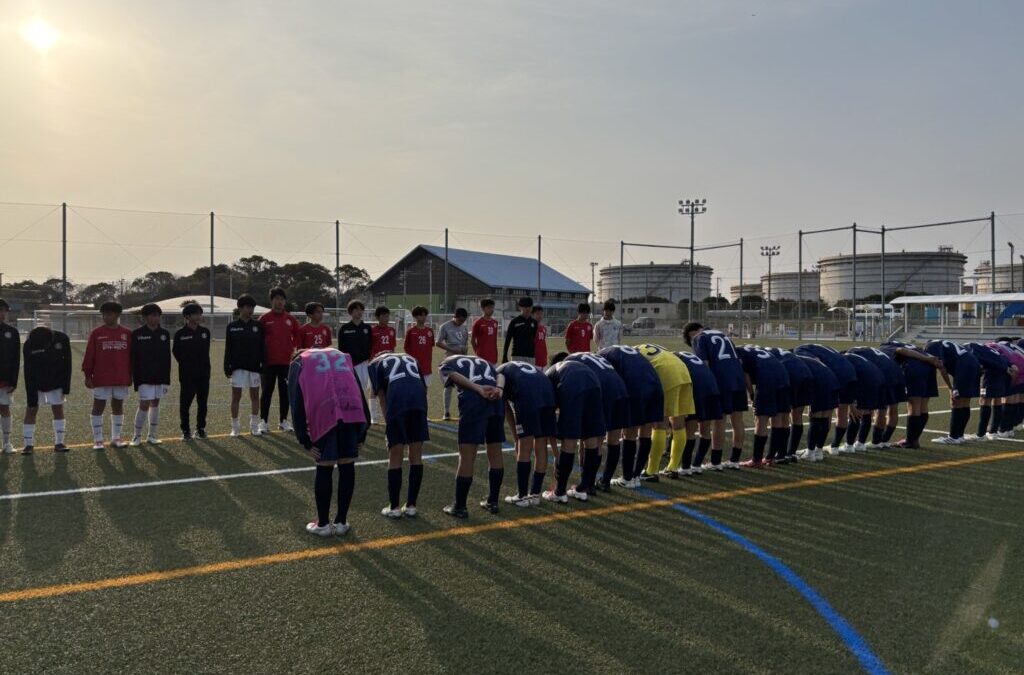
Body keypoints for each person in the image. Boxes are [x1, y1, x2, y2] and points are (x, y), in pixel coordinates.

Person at [288, 347, 368, 537]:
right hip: (351, 408)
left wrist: (305, 440)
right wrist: (362, 432)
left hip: (324, 412)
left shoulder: (299, 362)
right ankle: (341, 522)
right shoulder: (340, 354)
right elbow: (359, 390)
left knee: (324, 464)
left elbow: (296, 402)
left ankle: (323, 524)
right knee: (347, 463)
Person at [438, 354, 506, 518]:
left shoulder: (447, 362)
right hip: (496, 400)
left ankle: (460, 506)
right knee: (496, 452)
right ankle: (493, 501)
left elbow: (451, 374)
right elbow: (500, 375)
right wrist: (499, 389)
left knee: (467, 456)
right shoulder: (483, 361)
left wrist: (477, 388)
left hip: (474, 401)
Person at [554, 350, 629, 495]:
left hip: (602, 389)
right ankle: (604, 481)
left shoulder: (568, 365)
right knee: (613, 438)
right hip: (620, 387)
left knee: (592, 438)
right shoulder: (585, 356)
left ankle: (587, 484)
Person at [367, 351, 429, 518]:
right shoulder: (411, 358)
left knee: (395, 455)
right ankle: (411, 506)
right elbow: (423, 388)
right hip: (418, 402)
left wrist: (389, 423)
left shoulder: (375, 364)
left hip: (398, 401)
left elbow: (381, 395)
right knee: (416, 455)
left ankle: (394, 507)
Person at [598, 345, 663, 488]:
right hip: (655, 383)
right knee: (646, 431)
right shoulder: (618, 351)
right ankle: (636, 476)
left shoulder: (601, 357)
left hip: (636, 387)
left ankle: (626, 478)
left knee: (629, 433)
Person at [685, 324, 747, 469]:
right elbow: (737, 360)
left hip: (721, 379)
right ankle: (734, 460)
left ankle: (715, 461)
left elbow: (704, 365)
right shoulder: (724, 336)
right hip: (738, 377)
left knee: (719, 420)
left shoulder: (699, 338)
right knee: (738, 420)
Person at [543, 359, 605, 502]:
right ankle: (583, 488)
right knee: (591, 438)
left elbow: (549, 418)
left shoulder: (548, 377)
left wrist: (557, 456)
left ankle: (559, 492)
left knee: (569, 439)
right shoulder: (566, 367)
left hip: (573, 385)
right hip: (594, 382)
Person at [496, 360, 556, 506]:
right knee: (541, 443)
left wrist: (517, 438)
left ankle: (522, 496)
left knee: (525, 446)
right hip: (547, 391)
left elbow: (505, 408)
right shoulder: (511, 367)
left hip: (528, 394)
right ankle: (535, 494)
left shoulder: (497, 375)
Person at [635, 343, 695, 477]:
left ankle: (652, 470)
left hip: (666, 374)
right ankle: (673, 467)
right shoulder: (650, 347)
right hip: (683, 371)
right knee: (679, 422)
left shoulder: (633, 354)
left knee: (659, 423)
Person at [83, 301, 133, 449]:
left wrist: (131, 375)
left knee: (118, 405)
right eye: (104, 314)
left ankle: (116, 438)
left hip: (121, 376)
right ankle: (98, 440)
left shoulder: (127, 333)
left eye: (109, 314)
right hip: (101, 377)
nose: (105, 317)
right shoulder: (96, 333)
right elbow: (89, 355)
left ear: (117, 315)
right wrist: (87, 375)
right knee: (98, 406)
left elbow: (132, 357)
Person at [794, 343, 858, 455]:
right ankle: (828, 448)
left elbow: (816, 363)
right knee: (838, 413)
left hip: (832, 375)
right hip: (850, 372)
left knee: (819, 413)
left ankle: (811, 451)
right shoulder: (820, 347)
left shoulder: (799, 351)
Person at [878, 340, 945, 449]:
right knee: (923, 406)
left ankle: (910, 441)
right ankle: (914, 440)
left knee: (913, 404)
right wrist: (929, 360)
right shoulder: (911, 345)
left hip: (915, 366)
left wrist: (925, 359)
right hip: (929, 367)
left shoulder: (885, 346)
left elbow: (900, 350)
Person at [736, 345, 792, 467]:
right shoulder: (754, 350)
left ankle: (756, 460)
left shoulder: (737, 353)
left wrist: (751, 394)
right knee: (778, 417)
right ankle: (772, 457)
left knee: (761, 419)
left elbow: (745, 375)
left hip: (767, 380)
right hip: (783, 376)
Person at [20, 326, 71, 454]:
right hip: (36, 383)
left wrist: (66, 388)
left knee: (58, 409)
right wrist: (30, 394)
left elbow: (68, 364)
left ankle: (59, 443)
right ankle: (28, 445)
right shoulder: (29, 344)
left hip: (56, 381)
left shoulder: (62, 339)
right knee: (31, 410)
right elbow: (28, 370)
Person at [674, 350, 722, 475]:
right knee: (705, 429)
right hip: (712, 387)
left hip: (697, 389)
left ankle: (685, 467)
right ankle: (697, 465)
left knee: (690, 430)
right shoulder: (688, 356)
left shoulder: (674, 359)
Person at [259, 287, 300, 433]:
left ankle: (283, 421)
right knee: (266, 392)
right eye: (277, 299)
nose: (280, 302)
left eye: (282, 299)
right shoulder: (264, 319)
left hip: (286, 363)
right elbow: (258, 340)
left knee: (285, 393)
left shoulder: (291, 319)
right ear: (271, 301)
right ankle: (263, 422)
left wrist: (294, 352)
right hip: (268, 363)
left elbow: (297, 337)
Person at [130, 303, 172, 446]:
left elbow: (167, 358)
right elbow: (133, 357)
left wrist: (166, 380)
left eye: (158, 315)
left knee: (155, 403)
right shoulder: (137, 334)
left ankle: (152, 435)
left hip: (160, 376)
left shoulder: (164, 334)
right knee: (144, 404)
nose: (156, 318)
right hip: (143, 376)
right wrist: (135, 378)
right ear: (145, 317)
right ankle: (136, 436)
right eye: (153, 315)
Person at [849, 346, 906, 448]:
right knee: (892, 408)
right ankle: (883, 441)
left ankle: (872, 442)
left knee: (876, 409)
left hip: (883, 375)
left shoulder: (851, 355)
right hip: (897, 372)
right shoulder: (865, 349)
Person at [224, 295, 265, 437]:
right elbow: (228, 348)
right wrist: (227, 366)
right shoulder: (232, 326)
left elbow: (262, 347)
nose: (251, 310)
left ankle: (254, 426)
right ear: (240, 308)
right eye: (248, 307)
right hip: (237, 367)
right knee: (236, 397)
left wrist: (262, 365)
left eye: (252, 307)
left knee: (255, 396)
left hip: (254, 367)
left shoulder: (258, 326)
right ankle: (235, 427)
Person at [173, 302, 211, 440]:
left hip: (204, 374)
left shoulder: (205, 332)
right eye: (196, 314)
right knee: (185, 403)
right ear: (187, 316)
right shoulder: (180, 334)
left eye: (200, 313)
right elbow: (176, 352)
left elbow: (206, 352)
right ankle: (185, 430)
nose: (199, 316)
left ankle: (200, 429)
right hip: (187, 374)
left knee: (203, 403)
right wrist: (187, 365)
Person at [768, 347, 813, 462]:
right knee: (797, 415)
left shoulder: (766, 354)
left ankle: (778, 454)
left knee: (782, 413)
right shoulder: (784, 353)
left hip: (790, 375)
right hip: (806, 373)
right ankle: (790, 452)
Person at [793, 354, 840, 462]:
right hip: (832, 379)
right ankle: (818, 451)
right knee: (825, 416)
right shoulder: (807, 359)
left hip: (820, 382)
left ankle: (810, 453)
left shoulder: (794, 361)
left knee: (816, 416)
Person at [839, 351, 885, 453]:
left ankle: (849, 445)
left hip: (865, 381)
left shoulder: (843, 360)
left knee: (856, 413)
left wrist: (851, 405)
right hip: (878, 379)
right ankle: (861, 444)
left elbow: (848, 381)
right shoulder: (856, 358)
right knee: (867, 412)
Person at [338, 299, 374, 417]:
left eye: (361, 309)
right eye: (356, 309)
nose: (359, 312)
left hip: (364, 363)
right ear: (350, 312)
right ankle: (350, 411)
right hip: (349, 364)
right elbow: (341, 348)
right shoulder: (344, 328)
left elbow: (371, 345)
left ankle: (360, 411)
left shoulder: (367, 328)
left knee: (362, 388)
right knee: (351, 389)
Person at [435, 308, 469, 421]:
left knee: (464, 387)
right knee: (448, 386)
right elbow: (438, 342)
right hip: (450, 360)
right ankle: (446, 412)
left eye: (463, 321)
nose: (461, 322)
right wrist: (452, 349)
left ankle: (463, 411)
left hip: (462, 361)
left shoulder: (464, 327)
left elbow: (465, 343)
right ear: (455, 316)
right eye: (460, 320)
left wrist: (465, 350)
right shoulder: (445, 326)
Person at [0, 298, 20, 453]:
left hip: (4, 380)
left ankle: (6, 443)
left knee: (5, 409)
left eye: (3, 310)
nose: (1, 313)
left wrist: (13, 381)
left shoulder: (12, 332)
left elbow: (15, 358)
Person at [403, 306, 435, 388]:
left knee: (425, 388)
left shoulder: (430, 331)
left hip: (426, 366)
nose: (423, 317)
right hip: (414, 365)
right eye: (421, 315)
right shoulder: (411, 331)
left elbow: (431, 345)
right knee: (413, 388)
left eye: (425, 315)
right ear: (415, 316)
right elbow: (406, 347)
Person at [502, 297, 537, 364]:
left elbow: (533, 339)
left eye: (529, 306)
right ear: (520, 307)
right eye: (525, 307)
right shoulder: (514, 322)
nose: (528, 309)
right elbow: (508, 339)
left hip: (531, 356)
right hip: (517, 356)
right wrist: (504, 355)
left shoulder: (534, 322)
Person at [471, 298, 499, 364]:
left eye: (492, 307)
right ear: (483, 308)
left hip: (493, 356)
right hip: (481, 356)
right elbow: (472, 341)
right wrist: (477, 353)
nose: (491, 310)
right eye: (489, 308)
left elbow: (494, 340)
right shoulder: (478, 323)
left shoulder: (495, 322)